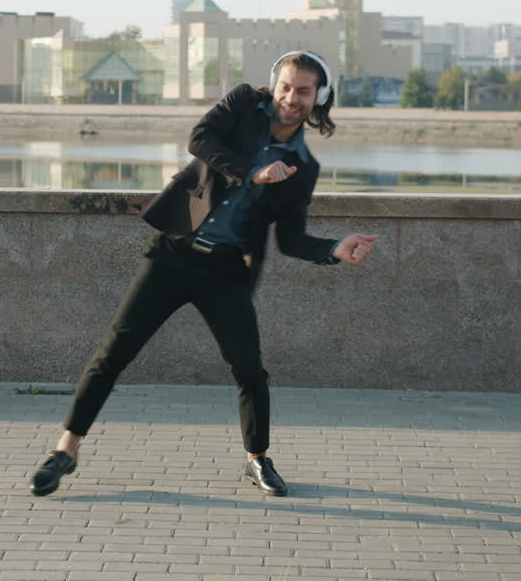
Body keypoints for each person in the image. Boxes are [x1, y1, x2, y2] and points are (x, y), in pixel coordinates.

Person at [29, 50, 378, 497]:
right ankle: (66, 450)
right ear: (275, 84)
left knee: (249, 368)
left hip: (227, 270)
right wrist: (253, 171)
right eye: (286, 87)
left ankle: (257, 459)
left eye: (303, 91)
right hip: (173, 253)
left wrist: (334, 248)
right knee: (112, 354)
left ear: (319, 97)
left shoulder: (303, 168)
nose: (291, 98)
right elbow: (200, 139)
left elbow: (290, 239)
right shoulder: (240, 106)